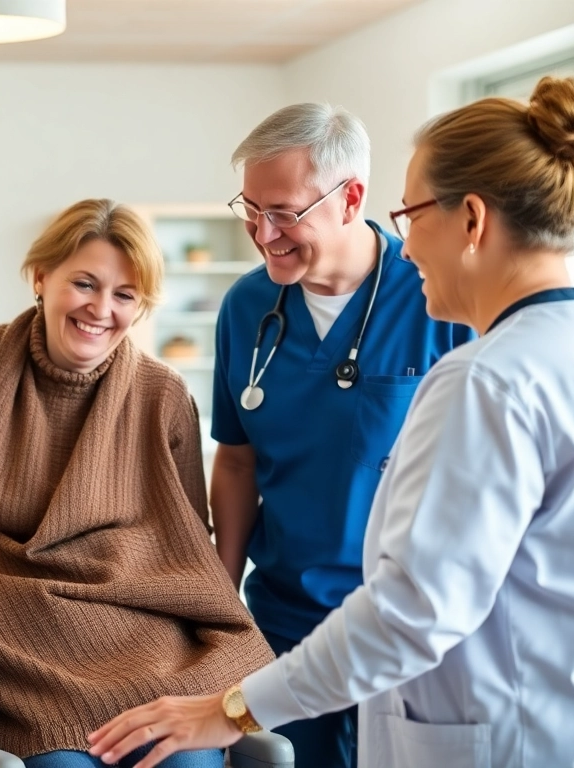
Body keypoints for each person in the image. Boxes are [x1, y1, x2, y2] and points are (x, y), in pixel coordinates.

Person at [88, 76, 574, 768]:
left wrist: (230, 707)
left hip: (523, 736)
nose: (405, 245)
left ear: (471, 220)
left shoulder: (485, 379)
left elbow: (413, 614)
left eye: (411, 215)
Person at [0, 199, 275, 767]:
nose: (101, 309)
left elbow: (184, 537)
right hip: (8, 627)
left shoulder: (164, 394)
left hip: (137, 634)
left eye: (125, 295)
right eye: (85, 283)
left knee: (188, 761)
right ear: (41, 277)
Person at [206, 103, 475, 767]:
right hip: (282, 623)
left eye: (284, 211)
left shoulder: (436, 297)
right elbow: (236, 463)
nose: (262, 233)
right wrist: (220, 602)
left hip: (405, 625)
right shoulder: (247, 307)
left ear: (351, 198)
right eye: (250, 208)